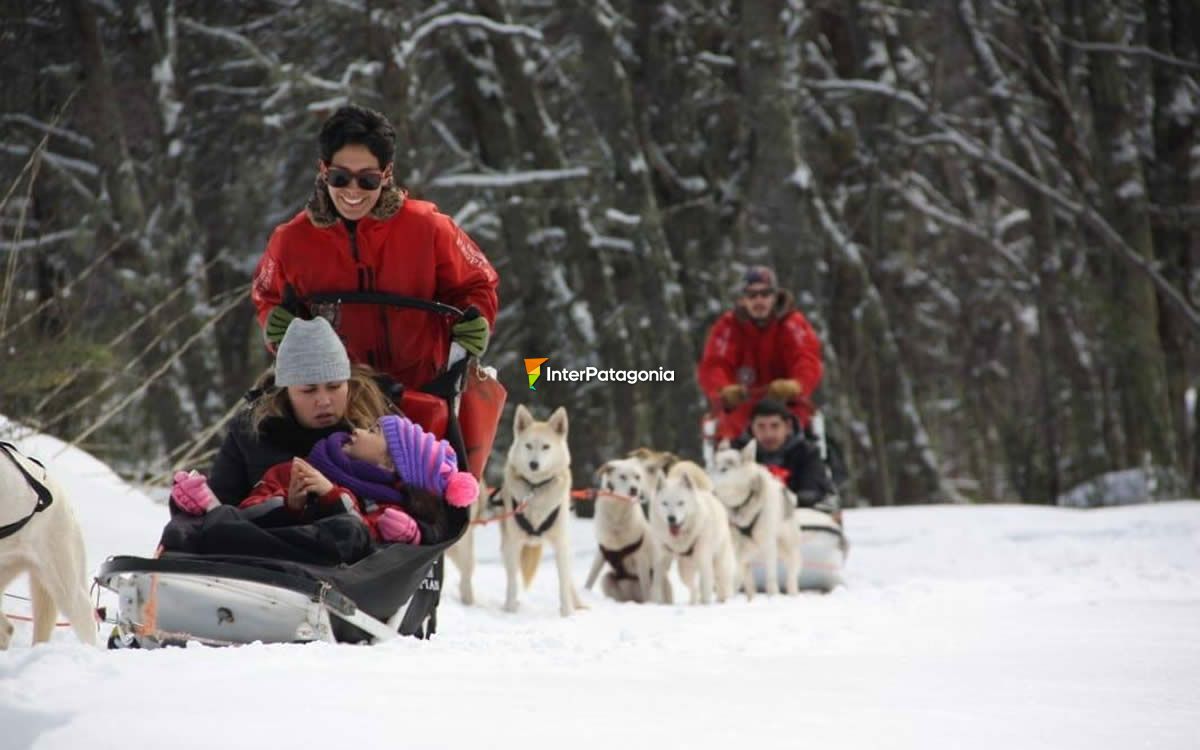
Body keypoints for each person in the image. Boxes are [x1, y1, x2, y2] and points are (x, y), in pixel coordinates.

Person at [250, 104, 499, 391]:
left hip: (425, 393)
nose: (353, 191)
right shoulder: (290, 241)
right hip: (333, 400)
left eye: (367, 180)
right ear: (323, 170)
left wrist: (475, 318)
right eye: (340, 178)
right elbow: (266, 295)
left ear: (386, 173)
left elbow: (478, 283)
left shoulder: (430, 228)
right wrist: (274, 322)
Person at [170, 413, 479, 547]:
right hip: (266, 535)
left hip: (313, 564)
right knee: (277, 483)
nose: (358, 430)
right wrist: (290, 505)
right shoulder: (311, 463)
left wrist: (411, 535)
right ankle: (209, 512)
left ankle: (212, 519)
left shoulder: (386, 507)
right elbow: (256, 500)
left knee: (345, 529)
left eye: (374, 432)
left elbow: (363, 541)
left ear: (390, 463)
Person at [205, 317, 396, 507]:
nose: (324, 401)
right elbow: (218, 508)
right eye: (309, 390)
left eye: (335, 386)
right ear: (286, 391)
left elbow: (418, 496)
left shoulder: (381, 422)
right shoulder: (251, 432)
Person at [697, 265, 823, 439]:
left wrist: (797, 385)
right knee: (725, 432)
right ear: (743, 299)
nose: (759, 301)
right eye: (752, 295)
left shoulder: (792, 323)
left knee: (802, 435)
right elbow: (715, 363)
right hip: (743, 406)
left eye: (765, 294)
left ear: (775, 296)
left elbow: (805, 358)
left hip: (785, 404)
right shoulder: (728, 326)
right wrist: (723, 390)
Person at [732, 399, 839, 520]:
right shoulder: (739, 456)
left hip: (800, 518)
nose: (768, 434)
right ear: (751, 427)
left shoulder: (807, 453)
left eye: (775, 426)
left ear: (788, 426)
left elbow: (814, 491)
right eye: (761, 427)